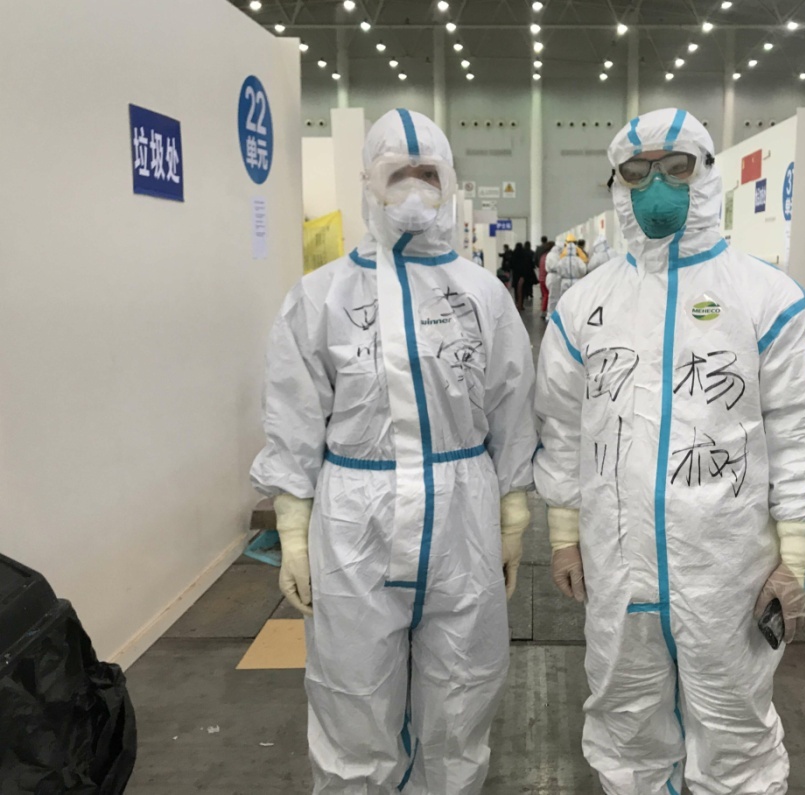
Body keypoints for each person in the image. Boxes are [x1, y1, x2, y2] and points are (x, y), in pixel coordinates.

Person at [533, 108, 805, 794]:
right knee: (624, 728)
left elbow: (803, 435)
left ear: (707, 174)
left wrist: (797, 556)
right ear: (616, 183)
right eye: (637, 173)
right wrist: (562, 536)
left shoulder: (767, 299)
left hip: (728, 572)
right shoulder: (584, 307)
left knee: (734, 735)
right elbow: (562, 429)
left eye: (676, 169)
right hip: (617, 568)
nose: (657, 188)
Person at [251, 108, 537, 794]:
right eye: (397, 173)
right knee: (352, 699)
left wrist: (513, 513)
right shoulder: (319, 297)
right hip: (356, 519)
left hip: (462, 514)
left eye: (427, 174)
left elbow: (512, 406)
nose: (413, 188)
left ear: (449, 182)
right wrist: (293, 530)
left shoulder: (483, 295)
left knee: (462, 698)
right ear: (368, 183)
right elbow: (292, 417)